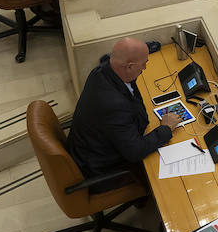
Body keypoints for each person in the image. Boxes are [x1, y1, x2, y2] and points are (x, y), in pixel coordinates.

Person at [66, 37, 183, 191]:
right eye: (143, 64)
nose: (145, 68)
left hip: (87, 148)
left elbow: (134, 99)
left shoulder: (101, 71)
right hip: (99, 168)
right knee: (165, 180)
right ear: (128, 66)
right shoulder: (114, 106)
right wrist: (165, 128)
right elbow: (135, 152)